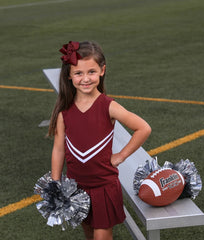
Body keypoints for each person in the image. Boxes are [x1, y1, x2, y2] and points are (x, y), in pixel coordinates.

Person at [48, 41, 151, 240]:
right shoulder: (64, 112)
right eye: (78, 73)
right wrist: (55, 182)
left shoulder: (108, 106)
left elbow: (143, 128)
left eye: (91, 72)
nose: (85, 79)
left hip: (103, 186)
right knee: (88, 232)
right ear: (69, 74)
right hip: (76, 187)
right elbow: (59, 149)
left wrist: (121, 156)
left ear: (102, 71)